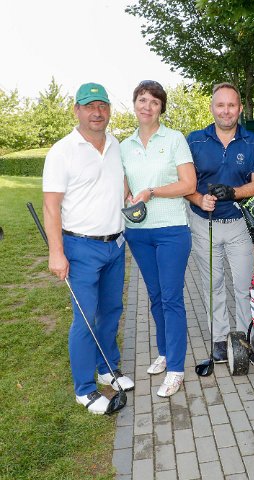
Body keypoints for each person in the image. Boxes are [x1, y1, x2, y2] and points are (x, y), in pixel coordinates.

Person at [43, 82, 134, 415]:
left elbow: (119, 183)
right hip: (80, 247)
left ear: (109, 110)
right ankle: (84, 389)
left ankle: (107, 368)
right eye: (90, 106)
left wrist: (129, 196)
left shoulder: (115, 145)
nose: (97, 112)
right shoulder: (62, 151)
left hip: (115, 244)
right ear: (77, 110)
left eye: (102, 106)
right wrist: (56, 252)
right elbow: (51, 206)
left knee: (111, 311)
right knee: (85, 318)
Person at [121, 80, 196, 397]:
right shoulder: (124, 146)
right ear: (135, 104)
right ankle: (164, 353)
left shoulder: (175, 139)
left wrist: (152, 192)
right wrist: (127, 198)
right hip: (138, 233)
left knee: (171, 298)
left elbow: (189, 184)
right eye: (142, 100)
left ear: (161, 108)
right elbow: (124, 187)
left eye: (154, 101)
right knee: (155, 296)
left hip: (171, 231)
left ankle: (176, 369)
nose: (147, 106)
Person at [186, 82, 254, 364]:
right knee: (213, 285)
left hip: (240, 223)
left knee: (245, 285)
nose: (226, 111)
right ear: (212, 108)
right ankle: (219, 339)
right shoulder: (194, 140)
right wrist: (198, 199)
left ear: (240, 108)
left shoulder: (253, 141)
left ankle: (246, 337)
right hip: (204, 223)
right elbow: (184, 183)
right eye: (220, 105)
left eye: (231, 105)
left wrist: (233, 192)